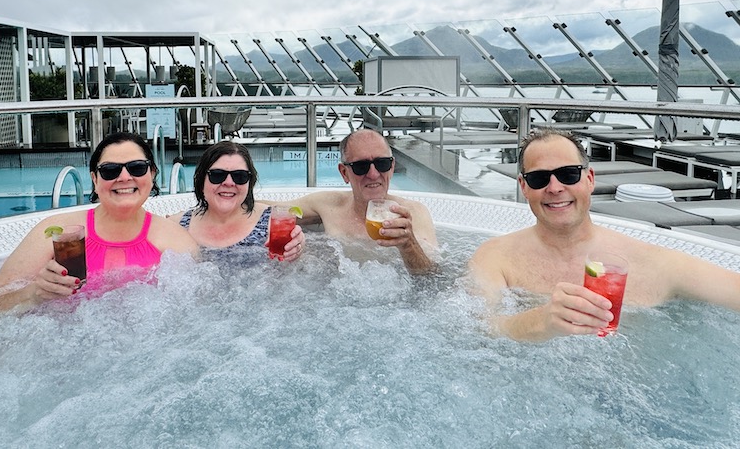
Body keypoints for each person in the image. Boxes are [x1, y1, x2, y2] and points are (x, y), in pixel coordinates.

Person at [468, 128, 740, 342]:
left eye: (568, 174)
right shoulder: (496, 257)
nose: (554, 187)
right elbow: (476, 328)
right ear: (524, 187)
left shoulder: (656, 264)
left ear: (590, 179)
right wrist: (541, 322)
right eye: (539, 179)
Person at [0, 132, 198, 311]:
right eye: (110, 170)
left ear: (152, 174)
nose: (124, 177)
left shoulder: (176, 240)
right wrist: (33, 294)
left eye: (137, 167)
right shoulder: (58, 233)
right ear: (95, 180)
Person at [274, 129, 437, 275]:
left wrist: (409, 246)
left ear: (392, 167)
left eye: (382, 164)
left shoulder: (414, 213)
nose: (373, 174)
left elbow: (433, 280)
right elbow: (273, 210)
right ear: (344, 173)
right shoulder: (329, 205)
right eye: (361, 166)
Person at [167, 140, 305, 262]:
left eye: (239, 176)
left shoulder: (273, 222)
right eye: (217, 175)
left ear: (249, 183)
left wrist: (296, 250)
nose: (228, 183)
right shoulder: (177, 226)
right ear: (201, 180)